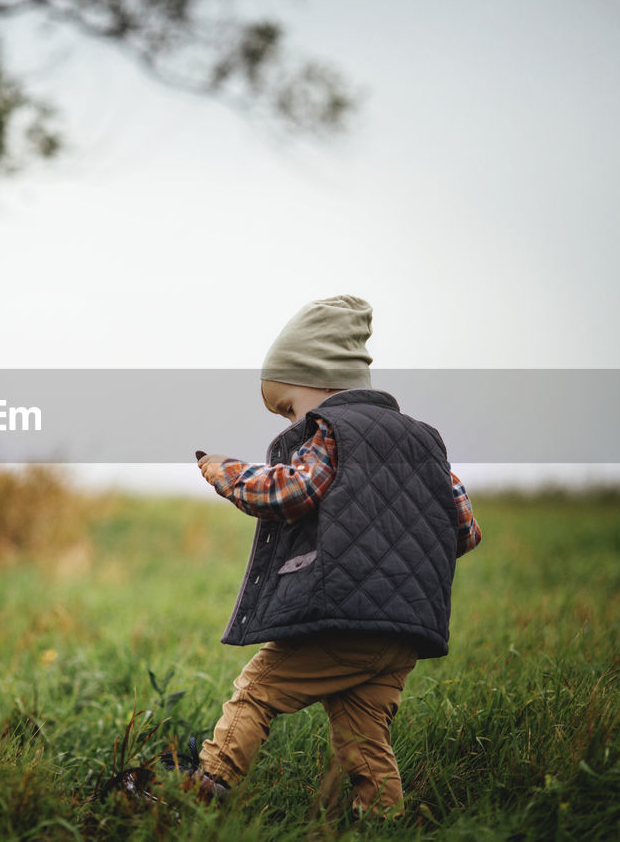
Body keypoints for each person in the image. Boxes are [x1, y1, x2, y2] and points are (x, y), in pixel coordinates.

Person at [179, 294, 482, 817]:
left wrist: (225, 472)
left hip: (346, 618)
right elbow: (465, 528)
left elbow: (291, 492)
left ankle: (206, 785)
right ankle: (381, 821)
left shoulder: (332, 434)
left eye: (289, 408)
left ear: (318, 381)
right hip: (405, 630)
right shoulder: (425, 442)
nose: (291, 423)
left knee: (256, 690)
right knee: (365, 741)